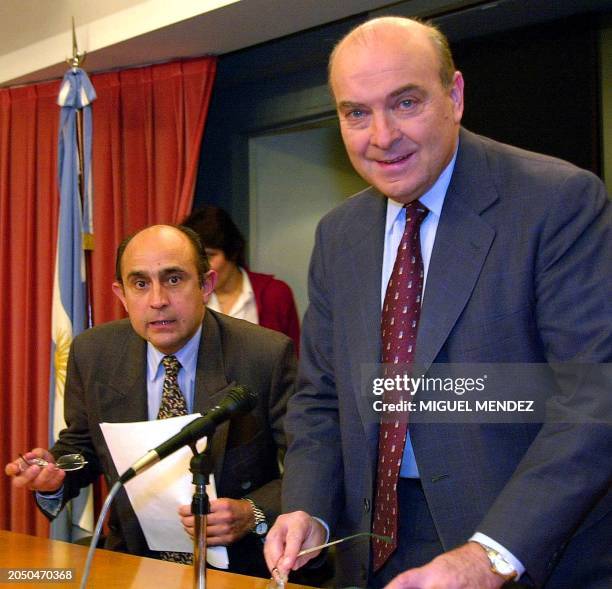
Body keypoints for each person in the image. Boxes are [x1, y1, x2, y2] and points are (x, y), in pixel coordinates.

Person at [264, 16, 611, 589]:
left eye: (405, 102)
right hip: (371, 548)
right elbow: (321, 398)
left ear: (455, 95)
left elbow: (592, 400)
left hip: (521, 547)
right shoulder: (338, 234)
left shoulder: (558, 202)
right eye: (356, 113)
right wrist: (309, 508)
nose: (381, 135)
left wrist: (491, 555)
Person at [6, 224, 296, 578]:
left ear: (205, 285)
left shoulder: (263, 354)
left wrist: (253, 511)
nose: (157, 299)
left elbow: (308, 462)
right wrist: (56, 475)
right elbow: (83, 444)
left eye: (173, 279)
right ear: (122, 294)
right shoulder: (95, 352)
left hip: (239, 567)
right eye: (140, 283)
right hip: (133, 561)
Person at [183, 206, 300, 353]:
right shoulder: (188, 297)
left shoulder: (275, 294)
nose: (202, 266)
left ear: (232, 252)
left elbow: (293, 359)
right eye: (196, 258)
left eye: (209, 256)